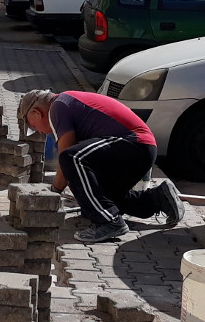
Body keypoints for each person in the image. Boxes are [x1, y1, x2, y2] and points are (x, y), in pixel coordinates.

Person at [17, 89, 184, 243]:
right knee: (101, 200)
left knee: (72, 158)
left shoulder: (58, 108)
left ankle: (110, 222)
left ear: (36, 113)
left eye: (33, 126)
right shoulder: (64, 103)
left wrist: (52, 194)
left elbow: (66, 155)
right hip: (138, 150)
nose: (38, 131)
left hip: (134, 145)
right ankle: (158, 198)